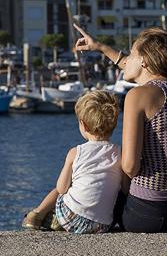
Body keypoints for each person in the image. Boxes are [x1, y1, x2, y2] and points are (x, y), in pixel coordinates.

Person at [75, 24, 167, 233]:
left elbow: (130, 167)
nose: (126, 59)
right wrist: (100, 47)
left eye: (131, 53)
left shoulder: (137, 96)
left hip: (151, 215)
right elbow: (133, 67)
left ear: (145, 61)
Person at [22, 90, 122, 234]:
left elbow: (61, 188)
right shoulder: (119, 153)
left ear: (83, 125)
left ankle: (37, 214)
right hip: (103, 225)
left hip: (72, 218)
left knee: (61, 190)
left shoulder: (76, 152)